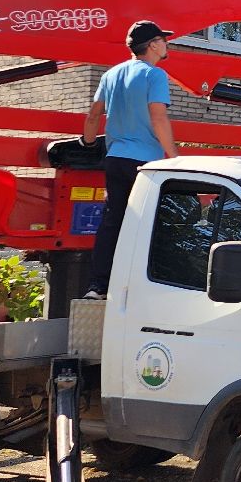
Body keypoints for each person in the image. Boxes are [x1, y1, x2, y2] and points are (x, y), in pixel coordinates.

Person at [80, 20, 180, 298]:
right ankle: (143, 289)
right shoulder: (154, 75)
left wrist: (88, 143)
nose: (167, 44)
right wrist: (173, 158)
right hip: (144, 163)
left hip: (115, 158)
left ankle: (97, 286)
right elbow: (158, 117)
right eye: (163, 39)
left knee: (112, 221)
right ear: (152, 45)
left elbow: (93, 115)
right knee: (150, 223)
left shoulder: (110, 75)